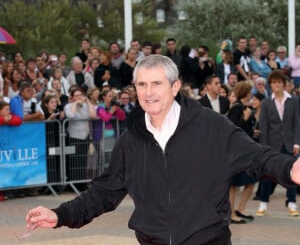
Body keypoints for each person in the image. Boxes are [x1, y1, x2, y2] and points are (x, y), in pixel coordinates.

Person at [25, 55, 300, 245]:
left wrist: (289, 168)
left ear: (175, 86)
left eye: (157, 83)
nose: (148, 92)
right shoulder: (131, 139)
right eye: (141, 85)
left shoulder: (211, 126)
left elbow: (257, 157)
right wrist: (60, 215)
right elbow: (103, 193)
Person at [256, 70, 300, 217]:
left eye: (279, 82)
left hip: (289, 144)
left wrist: (297, 143)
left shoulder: (293, 100)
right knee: (268, 174)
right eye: (274, 82)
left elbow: (297, 124)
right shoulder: (266, 102)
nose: (277, 85)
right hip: (271, 145)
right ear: (270, 85)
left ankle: (292, 202)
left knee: (293, 173)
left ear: (284, 84)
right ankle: (263, 202)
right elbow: (264, 127)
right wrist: (264, 147)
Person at [227, 81, 257, 224]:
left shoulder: (244, 107)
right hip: (236, 152)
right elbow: (232, 128)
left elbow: (244, 130)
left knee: (251, 180)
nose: (251, 95)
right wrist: (245, 119)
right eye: (249, 92)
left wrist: (253, 131)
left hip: (246, 150)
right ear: (245, 92)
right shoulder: (237, 107)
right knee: (234, 184)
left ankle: (240, 208)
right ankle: (231, 213)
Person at [0, 100, 22, 201]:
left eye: (9, 109)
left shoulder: (10, 116)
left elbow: (18, 120)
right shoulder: (5, 118)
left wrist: (7, 120)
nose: (9, 111)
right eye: (6, 109)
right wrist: (4, 120)